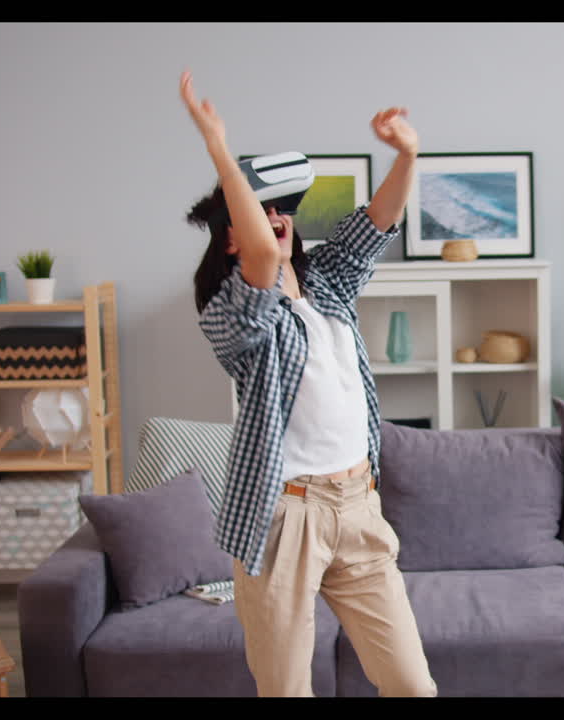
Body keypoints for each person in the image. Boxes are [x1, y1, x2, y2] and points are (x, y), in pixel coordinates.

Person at [179, 70, 437, 698]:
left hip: (358, 505)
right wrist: (218, 150)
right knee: (287, 691)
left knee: (412, 685)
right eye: (258, 213)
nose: (276, 221)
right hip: (285, 517)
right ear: (231, 236)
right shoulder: (232, 312)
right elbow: (263, 265)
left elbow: (379, 222)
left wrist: (407, 154)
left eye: (281, 210)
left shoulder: (328, 281)